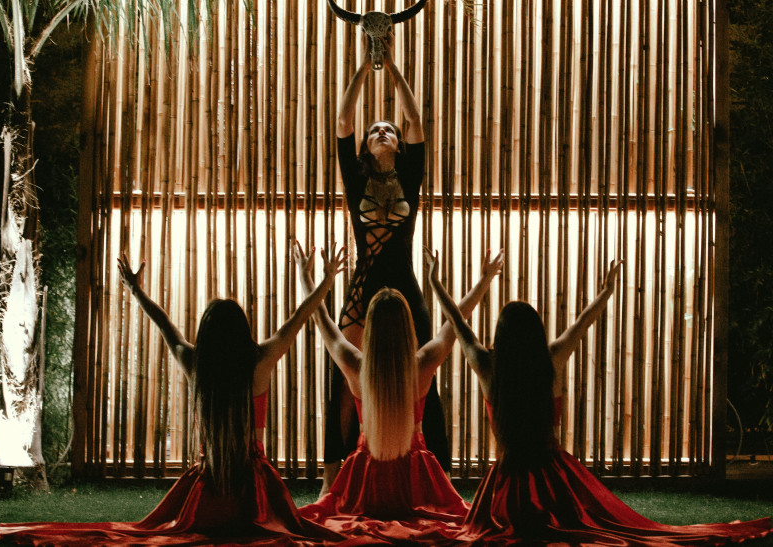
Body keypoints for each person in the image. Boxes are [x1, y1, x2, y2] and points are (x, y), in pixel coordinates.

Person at [0, 249, 348, 546]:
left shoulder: (195, 363)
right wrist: (326, 280)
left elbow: (164, 324)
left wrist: (136, 290)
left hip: (209, 488)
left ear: (205, 334)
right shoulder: (261, 361)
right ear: (243, 332)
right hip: (255, 490)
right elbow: (299, 317)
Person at [428, 257, 772, 545]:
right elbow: (581, 323)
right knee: (590, 526)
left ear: (500, 337)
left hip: (507, 482)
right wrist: (606, 291)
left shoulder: (487, 366)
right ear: (536, 334)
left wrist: (435, 282)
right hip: (553, 477)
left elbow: (457, 322)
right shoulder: (551, 360)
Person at [295, 242, 503, 543]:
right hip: (415, 475)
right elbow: (455, 322)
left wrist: (309, 278)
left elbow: (322, 318)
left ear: (369, 329)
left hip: (366, 475)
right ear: (408, 327)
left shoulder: (355, 365)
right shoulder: (423, 363)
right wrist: (484, 280)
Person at [324, 28, 449, 496]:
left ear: (398, 145)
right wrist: (364, 64)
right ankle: (331, 480)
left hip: (405, 286)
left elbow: (414, 118)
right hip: (362, 289)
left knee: (424, 381)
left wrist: (390, 65)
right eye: (375, 129)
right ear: (366, 146)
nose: (382, 131)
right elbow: (343, 119)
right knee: (343, 382)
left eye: (388, 130)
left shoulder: (410, 177)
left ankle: (438, 477)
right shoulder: (355, 179)